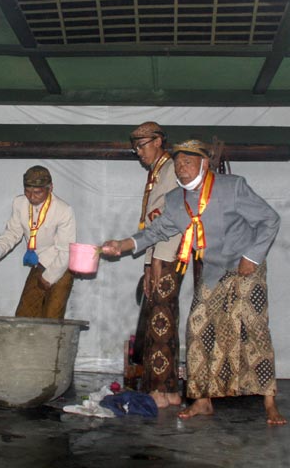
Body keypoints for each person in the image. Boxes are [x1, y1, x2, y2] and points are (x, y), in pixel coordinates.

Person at [101, 139, 285, 425]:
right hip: (213, 270)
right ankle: (201, 400)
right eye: (177, 164)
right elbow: (158, 231)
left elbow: (269, 219)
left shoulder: (232, 187)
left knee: (254, 329)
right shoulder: (176, 200)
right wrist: (123, 245)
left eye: (188, 162)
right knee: (197, 326)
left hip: (245, 265)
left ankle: (270, 401)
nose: (182, 169)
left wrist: (253, 256)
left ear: (204, 163)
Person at [129, 122, 184, 409]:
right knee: (159, 321)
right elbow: (153, 221)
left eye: (142, 145)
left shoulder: (174, 169)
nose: (139, 152)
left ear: (159, 141)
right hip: (159, 255)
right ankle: (169, 390)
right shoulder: (159, 172)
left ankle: (160, 392)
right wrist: (148, 265)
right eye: (135, 147)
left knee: (160, 324)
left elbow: (172, 221)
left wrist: (160, 260)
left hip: (171, 253)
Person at [0, 166, 76, 319]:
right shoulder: (19, 203)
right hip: (39, 264)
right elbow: (12, 233)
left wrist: (48, 277)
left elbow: (66, 251)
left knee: (52, 319)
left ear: (50, 188)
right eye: (27, 191)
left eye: (38, 192)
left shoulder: (63, 210)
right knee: (24, 316)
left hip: (61, 267)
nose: (32, 197)